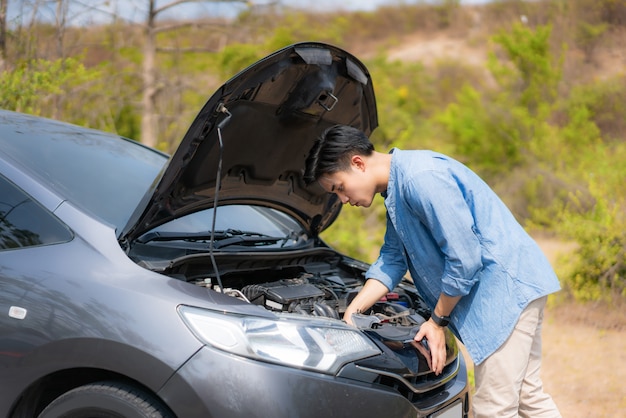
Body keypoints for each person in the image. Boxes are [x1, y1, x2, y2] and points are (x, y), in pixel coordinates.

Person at [303, 124, 562, 418]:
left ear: (358, 163)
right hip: (516, 288)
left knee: (494, 409)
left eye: (338, 188)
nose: (342, 200)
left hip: (505, 295)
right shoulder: (395, 191)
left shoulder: (420, 178)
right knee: (529, 396)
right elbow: (392, 258)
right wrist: (353, 312)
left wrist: (437, 321)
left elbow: (464, 257)